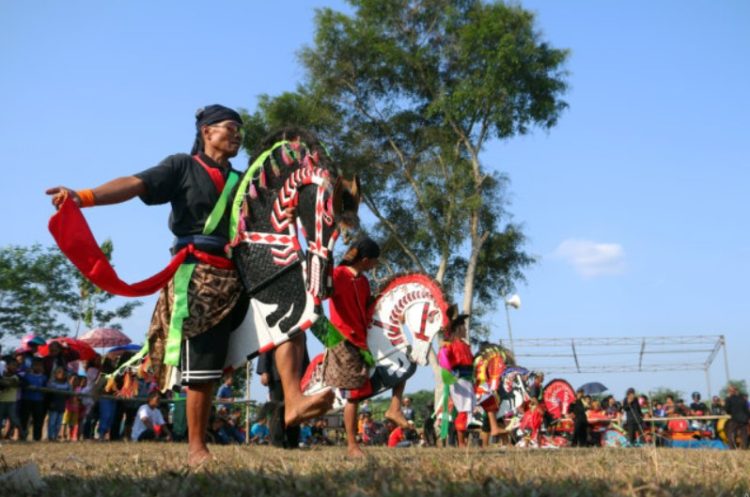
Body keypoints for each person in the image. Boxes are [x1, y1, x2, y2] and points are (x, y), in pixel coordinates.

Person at [46, 105, 332, 465]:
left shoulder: (244, 182)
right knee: (204, 364)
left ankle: (293, 402)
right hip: (198, 274)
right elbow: (136, 184)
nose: (237, 135)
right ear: (206, 132)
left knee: (290, 318)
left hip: (240, 272)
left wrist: (286, 213)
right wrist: (84, 196)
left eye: (240, 130)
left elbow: (264, 222)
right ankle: (197, 447)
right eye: (230, 128)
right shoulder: (182, 165)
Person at [325, 237, 410, 457]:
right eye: (374, 261)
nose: (375, 265)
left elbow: (368, 309)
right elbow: (320, 294)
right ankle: (352, 446)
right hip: (342, 342)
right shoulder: (335, 275)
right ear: (364, 260)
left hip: (364, 343)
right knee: (353, 395)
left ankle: (395, 407)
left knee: (402, 364)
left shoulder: (363, 282)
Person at [438, 309, 476, 448]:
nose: (466, 329)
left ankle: (462, 441)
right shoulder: (450, 344)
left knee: (467, 410)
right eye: (464, 327)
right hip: (459, 379)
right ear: (459, 328)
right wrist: (450, 373)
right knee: (463, 410)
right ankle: (461, 443)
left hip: (467, 380)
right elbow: (443, 358)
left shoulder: (464, 344)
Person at [19, 357, 46, 441]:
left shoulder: (44, 377)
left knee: (38, 419)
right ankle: (22, 436)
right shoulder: (26, 376)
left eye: (39, 366)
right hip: (26, 399)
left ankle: (37, 437)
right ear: (32, 366)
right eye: (35, 365)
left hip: (38, 401)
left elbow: (45, 388)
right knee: (24, 418)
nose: (37, 367)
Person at [47, 367, 71, 441]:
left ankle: (55, 436)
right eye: (59, 372)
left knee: (58, 423)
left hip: (62, 405)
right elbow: (49, 394)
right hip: (53, 405)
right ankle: (50, 436)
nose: (61, 374)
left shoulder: (67, 385)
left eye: (63, 373)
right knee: (52, 422)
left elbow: (69, 394)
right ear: (56, 374)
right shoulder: (52, 383)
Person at [0, 358, 21, 439]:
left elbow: (23, 383)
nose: (14, 367)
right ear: (6, 366)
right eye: (12, 365)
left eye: (16, 366)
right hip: (1, 400)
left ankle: (21, 433)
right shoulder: (2, 375)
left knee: (13, 418)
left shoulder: (16, 377)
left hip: (11, 401)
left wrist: (13, 383)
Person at [725, 385, 749, 449]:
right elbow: (746, 410)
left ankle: (732, 448)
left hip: (735, 419)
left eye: (729, 391)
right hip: (744, 419)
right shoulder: (743, 399)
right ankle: (744, 448)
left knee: (730, 433)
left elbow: (727, 409)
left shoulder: (729, 399)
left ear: (730, 391)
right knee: (744, 434)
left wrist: (731, 413)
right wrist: (747, 418)